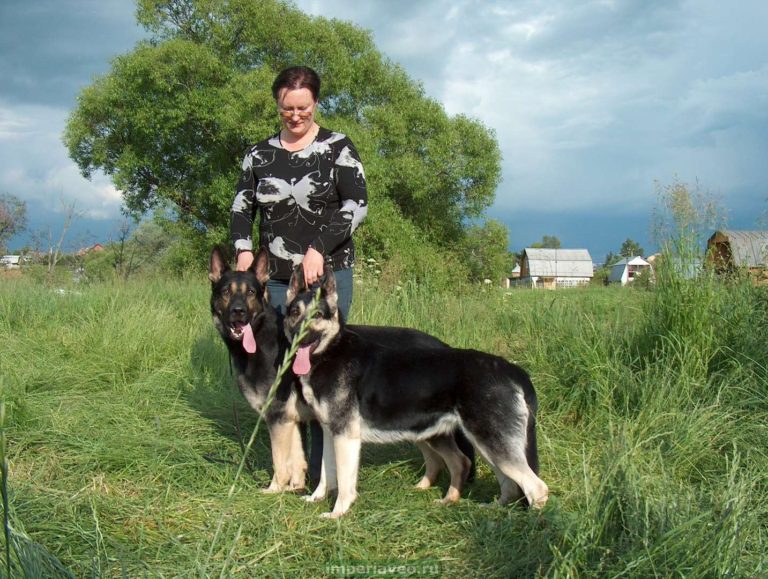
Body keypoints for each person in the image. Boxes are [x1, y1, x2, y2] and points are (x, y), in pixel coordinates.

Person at [230, 65, 368, 482]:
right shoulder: (259, 154)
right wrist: (242, 249)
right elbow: (241, 207)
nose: (295, 115)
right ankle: (294, 467)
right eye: (287, 108)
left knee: (323, 366)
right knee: (282, 367)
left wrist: (318, 249)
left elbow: (356, 205)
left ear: (316, 103)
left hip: (327, 275)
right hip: (274, 280)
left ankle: (330, 470)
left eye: (303, 108)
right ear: (277, 105)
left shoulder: (338, 147)